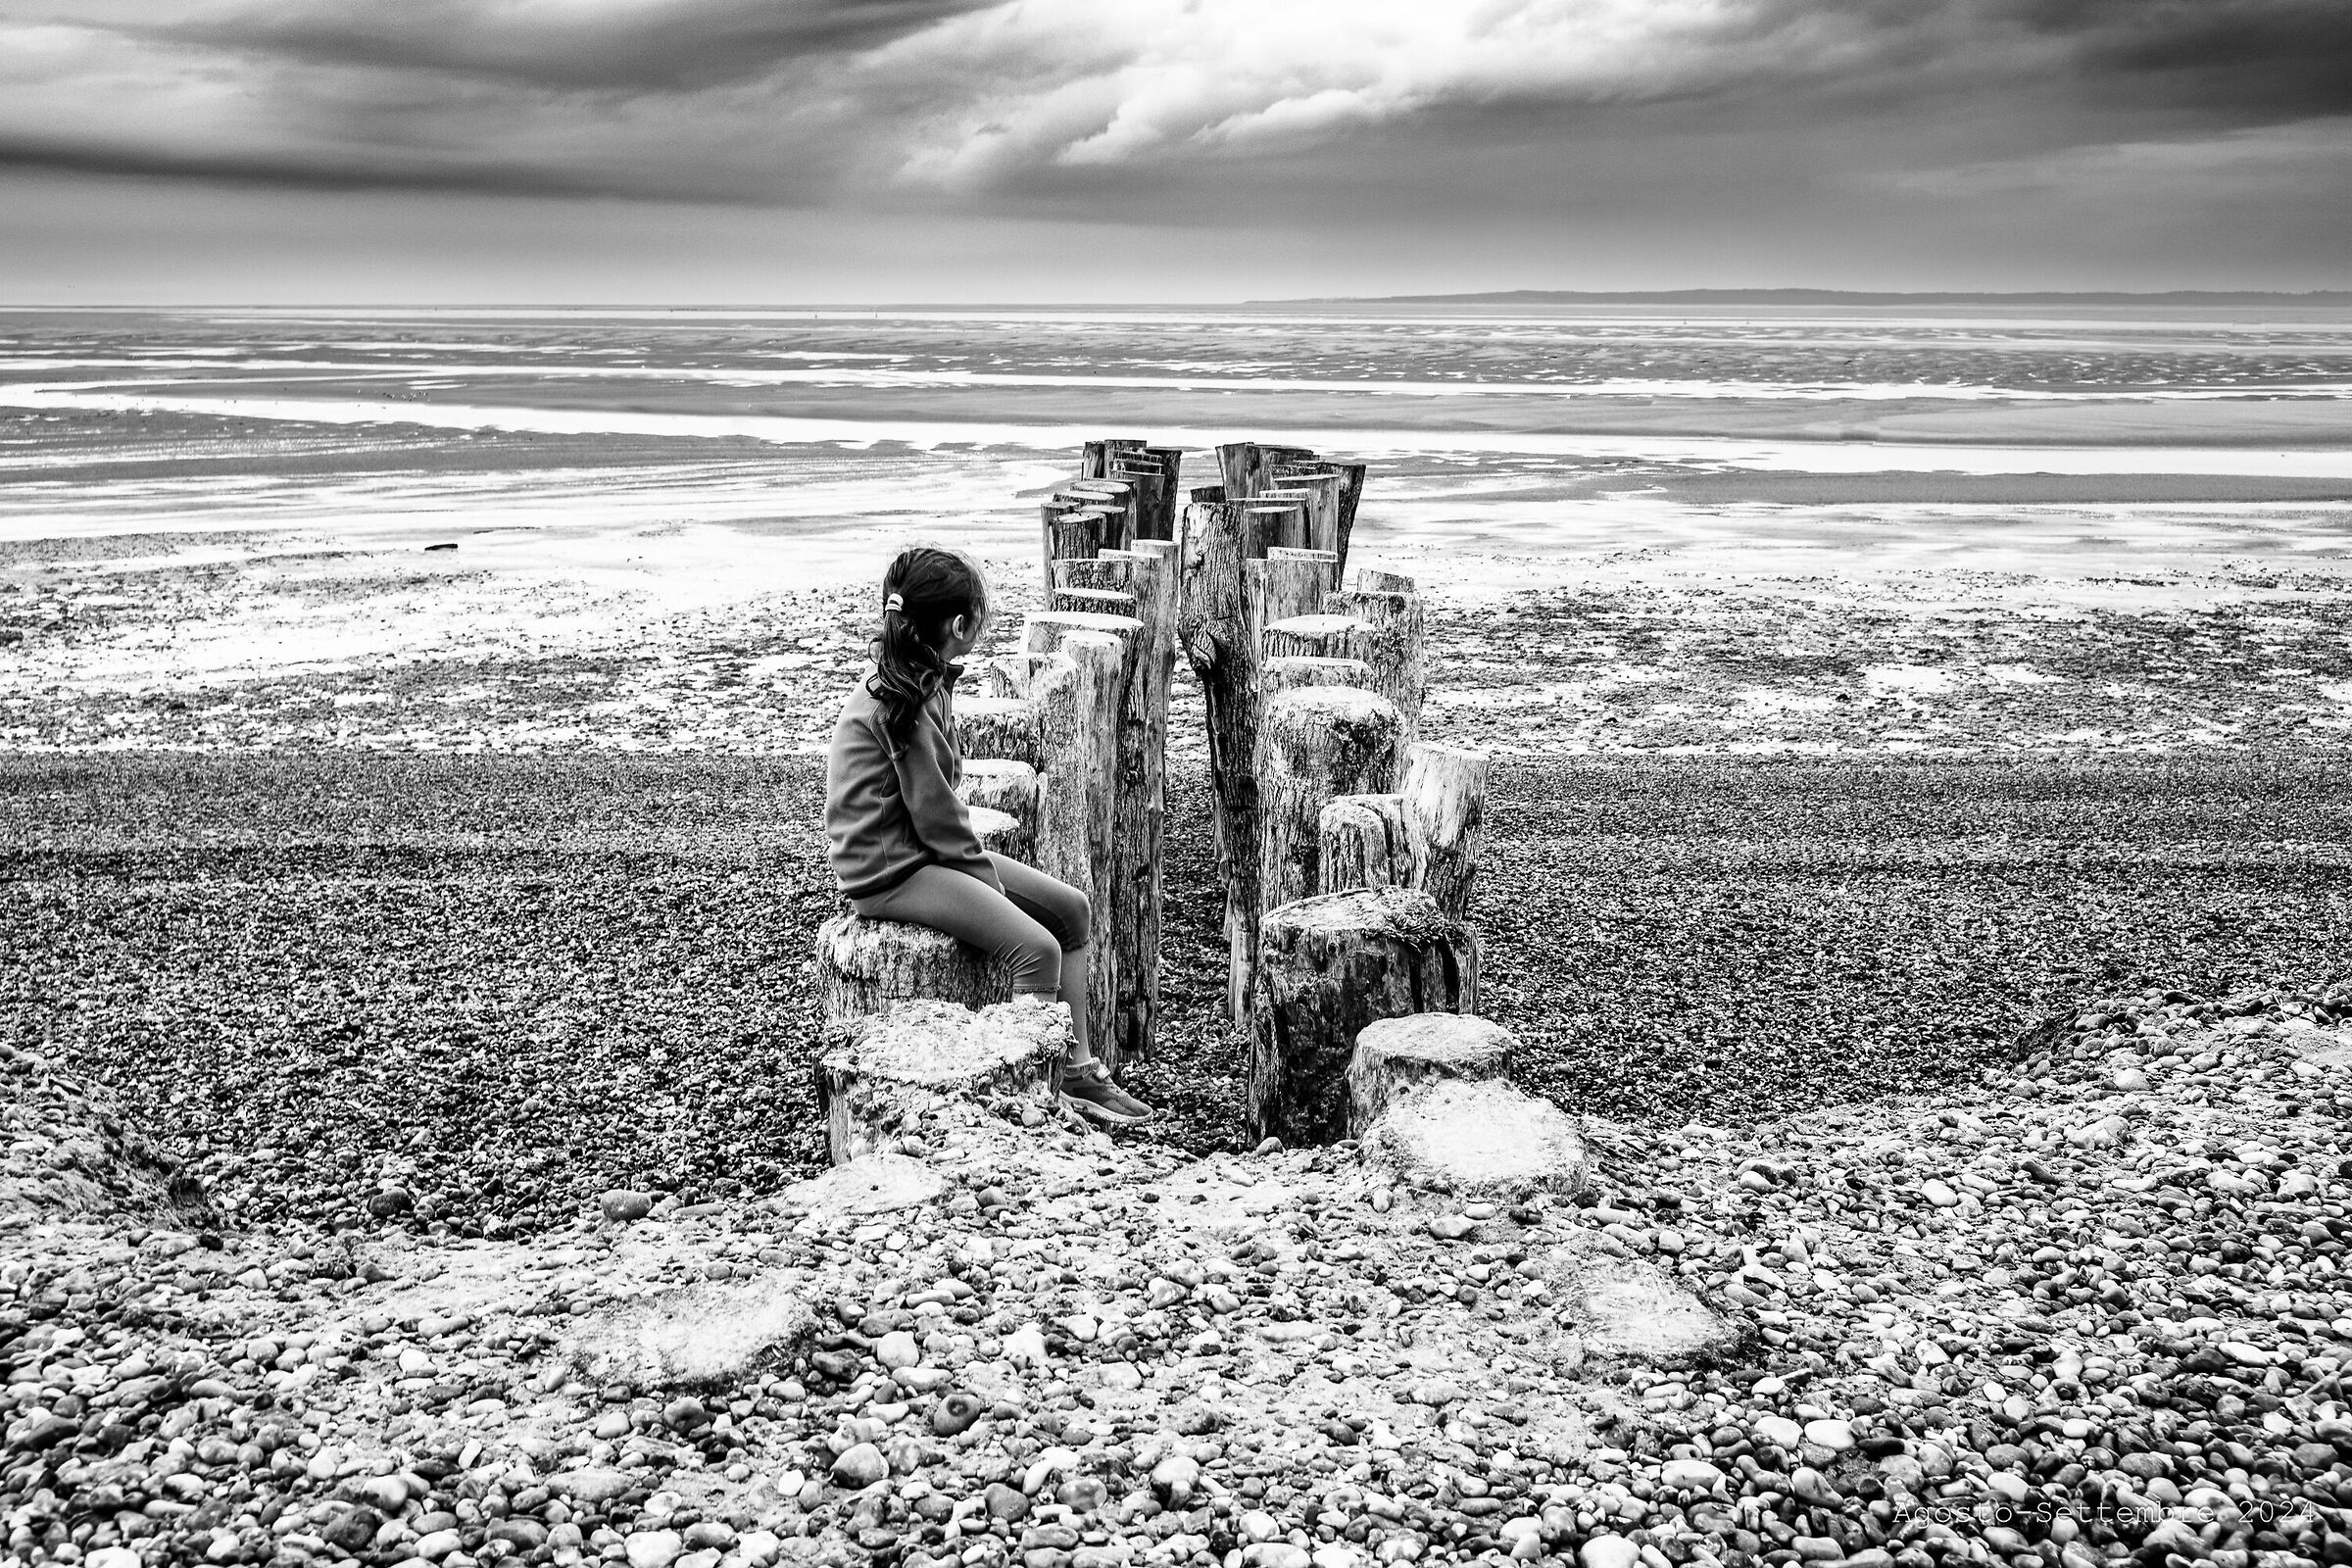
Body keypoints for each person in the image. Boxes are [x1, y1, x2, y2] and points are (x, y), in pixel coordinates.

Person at [823, 544, 1154, 1127]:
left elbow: (937, 815)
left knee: (1071, 911)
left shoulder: (920, 679)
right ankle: (1038, 1094)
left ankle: (1076, 1069)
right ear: (958, 626)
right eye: (981, 613)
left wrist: (980, 874)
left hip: (921, 852)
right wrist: (985, 884)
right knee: (1037, 948)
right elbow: (936, 817)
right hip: (889, 872)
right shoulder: (900, 701)